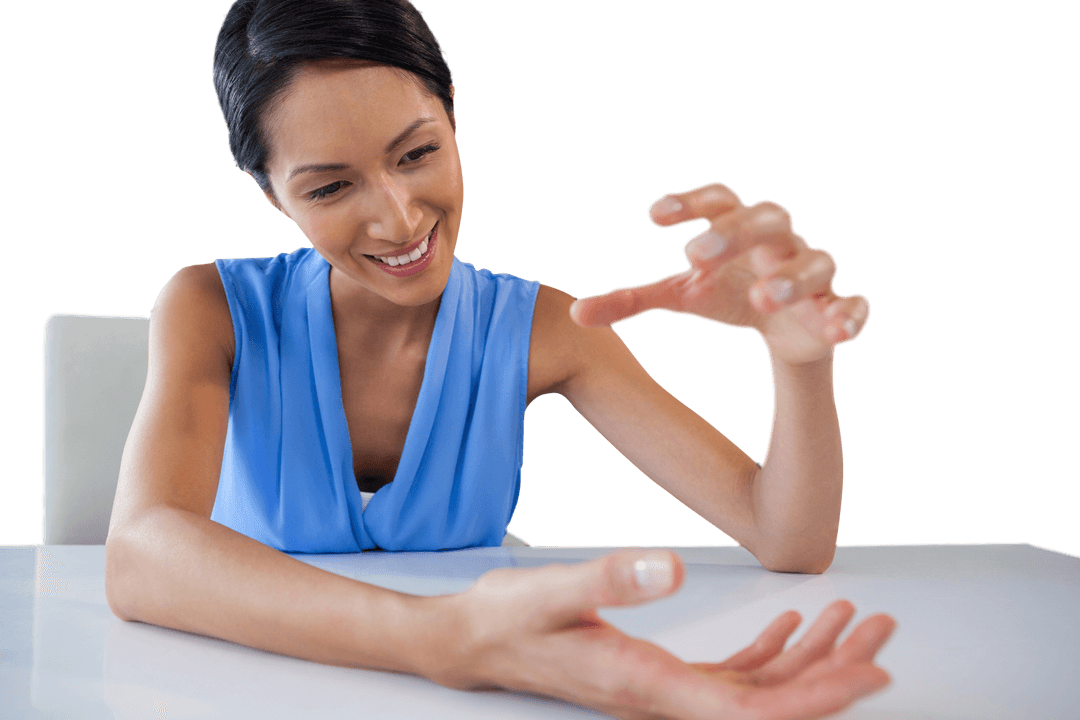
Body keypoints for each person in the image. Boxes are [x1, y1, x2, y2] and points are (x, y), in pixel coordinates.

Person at [104, 0, 897, 717]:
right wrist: (444, 638)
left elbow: (787, 539)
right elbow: (140, 554)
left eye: (416, 154)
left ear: (452, 116)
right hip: (229, 694)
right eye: (330, 187)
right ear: (272, 194)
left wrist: (795, 359)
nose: (398, 218)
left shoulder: (546, 327)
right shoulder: (211, 308)